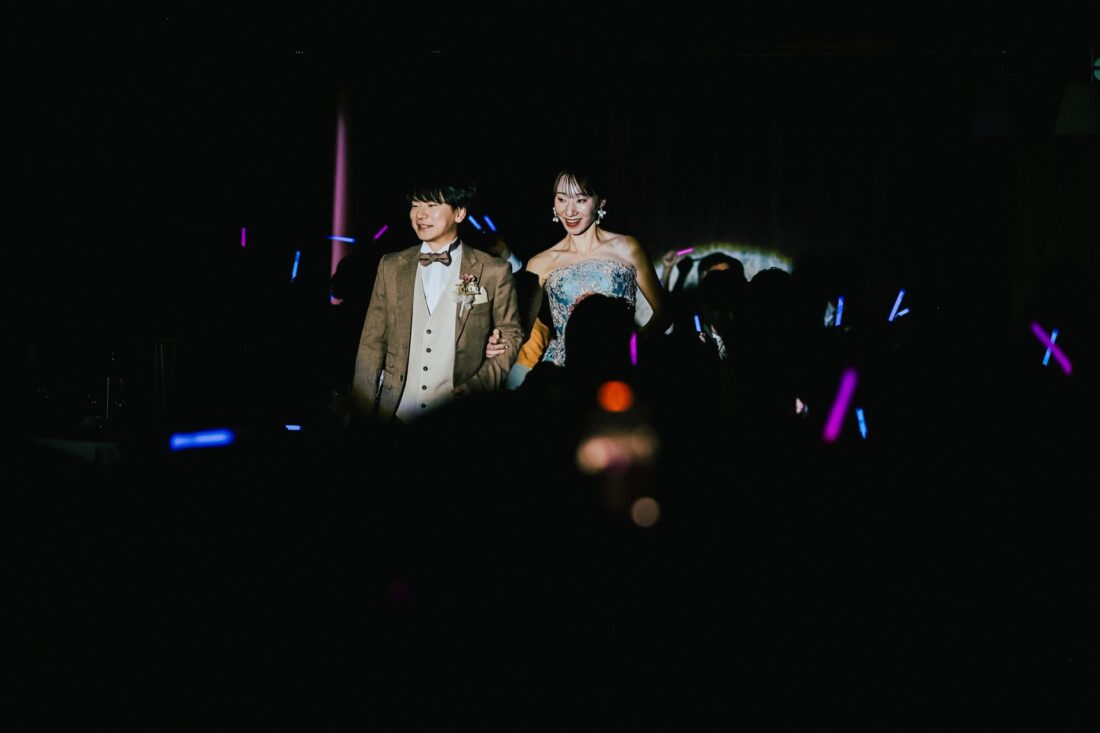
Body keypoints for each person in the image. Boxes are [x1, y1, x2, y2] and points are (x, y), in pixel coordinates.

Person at [350, 178, 523, 424]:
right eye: (415, 205)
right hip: (396, 414)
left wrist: (479, 386)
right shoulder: (391, 266)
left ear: (460, 212)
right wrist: (362, 415)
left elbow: (511, 334)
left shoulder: (493, 271)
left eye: (431, 205)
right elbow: (372, 343)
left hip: (459, 416)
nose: (420, 215)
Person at [486, 167, 667, 380]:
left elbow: (664, 311)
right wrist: (499, 343)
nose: (569, 211)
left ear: (601, 202)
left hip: (619, 365)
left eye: (580, 200)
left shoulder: (627, 248)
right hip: (564, 372)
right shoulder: (540, 263)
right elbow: (520, 332)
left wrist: (635, 342)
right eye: (562, 199)